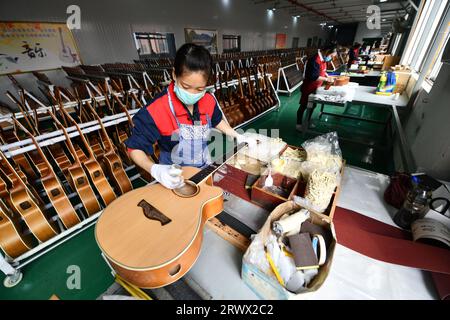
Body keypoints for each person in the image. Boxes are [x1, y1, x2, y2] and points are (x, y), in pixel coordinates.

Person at [125, 43, 256, 189]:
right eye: (186, 87)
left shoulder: (208, 100)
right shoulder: (158, 108)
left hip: (205, 166)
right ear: (174, 75)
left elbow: (217, 120)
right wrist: (155, 169)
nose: (193, 94)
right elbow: (134, 148)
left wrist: (236, 135)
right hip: (175, 176)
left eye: (199, 88)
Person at [296, 45, 337, 131]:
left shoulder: (323, 59)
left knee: (313, 105)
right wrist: (326, 79)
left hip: (316, 87)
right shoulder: (314, 60)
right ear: (327, 52)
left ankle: (307, 121)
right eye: (331, 56)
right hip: (308, 87)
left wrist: (328, 76)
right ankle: (298, 124)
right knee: (303, 106)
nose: (331, 58)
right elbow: (313, 76)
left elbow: (323, 71)